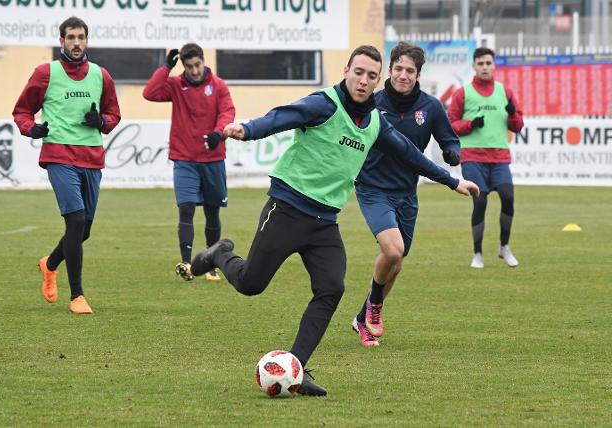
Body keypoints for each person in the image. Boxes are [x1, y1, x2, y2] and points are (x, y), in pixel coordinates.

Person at [188, 45, 480, 396]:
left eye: (372, 76)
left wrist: (453, 180)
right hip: (287, 210)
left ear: (378, 80)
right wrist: (247, 129)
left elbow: (409, 154)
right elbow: (281, 117)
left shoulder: (374, 122)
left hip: (324, 222)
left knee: (331, 288)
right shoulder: (323, 104)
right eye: (359, 72)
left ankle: (296, 368)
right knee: (251, 284)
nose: (364, 80)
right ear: (346, 70)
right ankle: (220, 252)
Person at [351, 41, 462, 347]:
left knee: (396, 262)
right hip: (373, 189)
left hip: (406, 194)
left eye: (409, 70)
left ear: (418, 75)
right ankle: (374, 307)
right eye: (398, 68)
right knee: (393, 250)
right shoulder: (372, 103)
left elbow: (448, 140)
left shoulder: (431, 107)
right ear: (389, 70)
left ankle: (363, 319)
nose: (402, 75)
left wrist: (452, 152)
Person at [12, 16, 121, 314]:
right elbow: (22, 110)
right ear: (61, 41)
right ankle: (77, 296)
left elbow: (113, 115)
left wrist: (101, 121)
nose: (76, 43)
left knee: (83, 230)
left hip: (92, 157)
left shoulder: (101, 75)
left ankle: (49, 264)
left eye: (80, 37)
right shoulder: (46, 73)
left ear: (87, 40)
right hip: (59, 156)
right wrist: (31, 128)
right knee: (74, 221)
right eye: (70, 37)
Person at [143, 43, 235, 282]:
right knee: (186, 208)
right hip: (184, 158)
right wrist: (165, 67)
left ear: (204, 61)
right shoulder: (175, 85)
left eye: (197, 65)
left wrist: (219, 132)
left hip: (212, 159)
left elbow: (228, 112)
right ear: (183, 65)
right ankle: (186, 262)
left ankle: (211, 264)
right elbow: (150, 93)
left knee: (212, 212)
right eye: (189, 66)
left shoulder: (219, 86)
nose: (194, 71)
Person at [447, 47, 524, 269]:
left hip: (499, 158)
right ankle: (478, 253)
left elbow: (518, 126)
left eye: (488, 63)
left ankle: (504, 247)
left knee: (508, 197)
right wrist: (470, 124)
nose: (484, 67)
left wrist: (512, 113)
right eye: (480, 64)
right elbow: (450, 124)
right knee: (480, 201)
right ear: (474, 66)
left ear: (494, 66)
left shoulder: (505, 92)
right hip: (473, 157)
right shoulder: (463, 93)